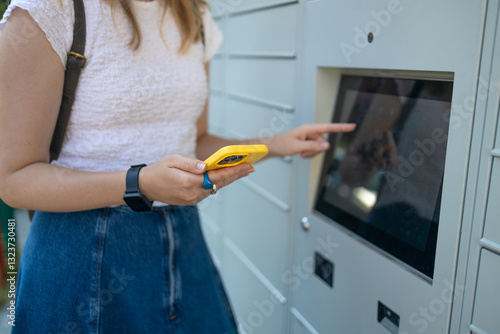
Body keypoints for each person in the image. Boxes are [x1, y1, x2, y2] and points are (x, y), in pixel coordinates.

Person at [0, 0, 355, 332]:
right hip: (78, 250)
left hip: (183, 238)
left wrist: (272, 145)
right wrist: (140, 184)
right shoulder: (50, 9)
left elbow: (192, 141)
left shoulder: (193, 14)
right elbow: (14, 178)